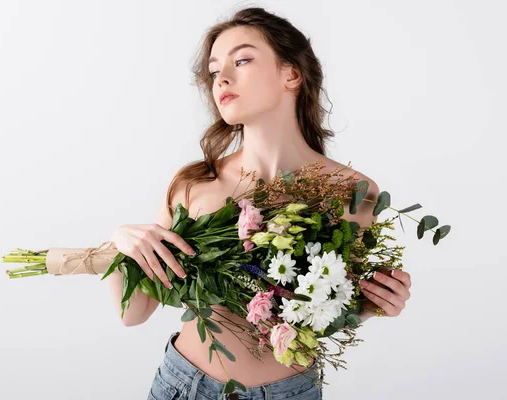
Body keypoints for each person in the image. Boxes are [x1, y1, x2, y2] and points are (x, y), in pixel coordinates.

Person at [108, 6, 413, 400]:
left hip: (292, 391)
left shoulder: (354, 193)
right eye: (215, 71)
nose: (223, 79)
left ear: (292, 73)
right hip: (185, 386)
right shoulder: (194, 185)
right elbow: (133, 314)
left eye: (243, 60)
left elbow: (325, 314)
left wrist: (375, 303)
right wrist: (121, 242)